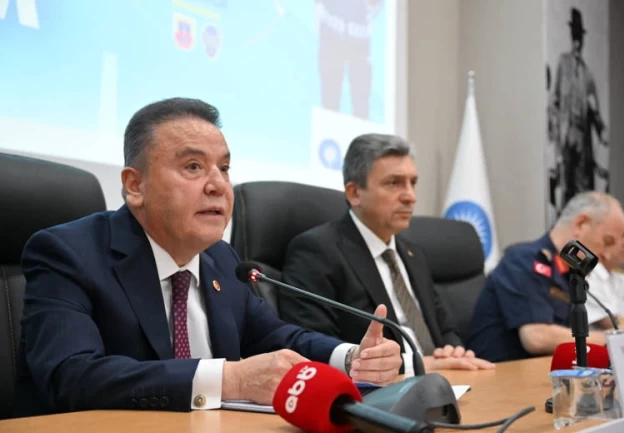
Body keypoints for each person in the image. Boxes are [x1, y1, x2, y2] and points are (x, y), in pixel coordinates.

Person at [15, 98, 401, 416]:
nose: (218, 184)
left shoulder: (220, 258)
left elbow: (276, 337)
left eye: (225, 168)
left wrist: (350, 358)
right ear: (135, 185)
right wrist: (230, 380)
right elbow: (72, 376)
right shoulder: (68, 254)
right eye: (193, 167)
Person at [279, 133, 495, 375]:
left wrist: (453, 351)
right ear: (354, 193)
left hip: (444, 382)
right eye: (394, 183)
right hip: (379, 389)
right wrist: (416, 365)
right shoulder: (318, 251)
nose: (410, 196)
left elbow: (444, 328)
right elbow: (313, 347)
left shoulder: (413, 253)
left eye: (413, 183)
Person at [467, 192, 624, 363]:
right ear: (581, 224)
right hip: (500, 373)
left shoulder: (569, 273)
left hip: (542, 371)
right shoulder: (524, 260)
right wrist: (615, 340)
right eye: (607, 241)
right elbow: (536, 337)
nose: (607, 254)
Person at [550, 7, 608, 206]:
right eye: (574, 36)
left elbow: (595, 111)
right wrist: (556, 135)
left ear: (582, 40)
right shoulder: (563, 63)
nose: (577, 42)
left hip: (582, 137)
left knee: (583, 190)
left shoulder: (588, 74)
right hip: (567, 134)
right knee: (567, 188)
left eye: (579, 37)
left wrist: (602, 130)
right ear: (571, 36)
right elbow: (555, 101)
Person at [585, 215, 624, 329]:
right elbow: (617, 325)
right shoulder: (587, 277)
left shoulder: (622, 279)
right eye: (623, 235)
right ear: (603, 239)